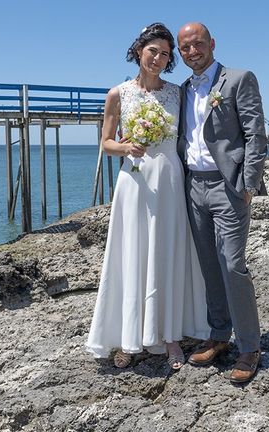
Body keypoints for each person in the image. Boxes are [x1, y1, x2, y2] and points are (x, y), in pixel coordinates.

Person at [86, 23, 209, 370]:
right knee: (132, 255)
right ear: (139, 51)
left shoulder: (177, 93)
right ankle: (129, 337)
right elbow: (106, 142)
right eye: (153, 50)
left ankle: (170, 337)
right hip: (135, 182)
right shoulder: (117, 94)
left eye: (166, 54)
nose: (158, 58)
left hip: (170, 180)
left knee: (167, 255)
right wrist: (126, 146)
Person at [176, 22, 268, 384]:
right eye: (185, 48)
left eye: (197, 44)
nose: (192, 51)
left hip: (228, 186)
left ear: (212, 43)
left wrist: (248, 184)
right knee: (208, 265)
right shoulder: (183, 89)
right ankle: (218, 335)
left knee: (232, 264)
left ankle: (250, 346)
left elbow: (255, 133)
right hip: (193, 185)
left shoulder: (238, 78)